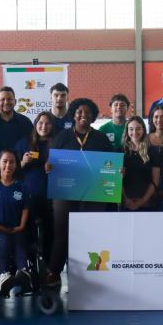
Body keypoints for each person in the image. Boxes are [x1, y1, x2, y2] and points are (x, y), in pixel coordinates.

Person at [48, 98, 115, 286]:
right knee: (61, 231)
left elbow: (110, 164)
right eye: (79, 111)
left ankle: (92, 273)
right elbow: (52, 161)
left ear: (93, 115)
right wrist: (48, 167)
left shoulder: (100, 137)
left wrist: (118, 172)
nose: (83, 115)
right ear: (73, 114)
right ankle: (54, 271)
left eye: (87, 112)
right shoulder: (63, 136)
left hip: (94, 192)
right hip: (66, 192)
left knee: (91, 232)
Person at [0, 149, 32, 297]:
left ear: (16, 165)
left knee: (19, 242)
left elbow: (25, 208)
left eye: (12, 162)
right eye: (5, 161)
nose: (8, 165)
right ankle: (4, 276)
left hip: (16, 228)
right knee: (4, 241)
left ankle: (24, 274)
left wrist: (22, 226)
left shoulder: (21, 186)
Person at [16, 111, 56, 263]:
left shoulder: (58, 143)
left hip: (53, 196)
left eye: (47, 123)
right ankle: (29, 262)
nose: (44, 126)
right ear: (35, 124)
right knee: (29, 230)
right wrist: (22, 162)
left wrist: (55, 166)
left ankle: (48, 262)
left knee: (50, 231)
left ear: (52, 126)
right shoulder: (24, 143)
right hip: (30, 195)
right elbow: (11, 170)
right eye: (41, 123)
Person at [118, 116, 160, 211]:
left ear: (143, 130)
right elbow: (116, 180)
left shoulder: (152, 151)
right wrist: (126, 200)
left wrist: (143, 200)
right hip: (124, 203)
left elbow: (155, 180)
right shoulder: (119, 152)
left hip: (147, 203)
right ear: (127, 131)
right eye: (131, 129)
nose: (134, 133)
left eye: (138, 129)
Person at [0, 86, 34, 163]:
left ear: (15, 102)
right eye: (2, 99)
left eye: (9, 99)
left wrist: (30, 158)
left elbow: (34, 145)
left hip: (20, 169)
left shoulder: (26, 122)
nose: (6, 102)